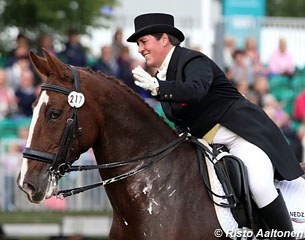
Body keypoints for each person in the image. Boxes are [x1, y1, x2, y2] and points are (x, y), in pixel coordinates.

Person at [128, 13, 303, 237]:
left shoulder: (193, 61)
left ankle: (284, 235)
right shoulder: (163, 75)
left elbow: (196, 90)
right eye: (138, 44)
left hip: (240, 136)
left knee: (259, 186)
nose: (140, 49)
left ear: (163, 39)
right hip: (208, 146)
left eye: (143, 42)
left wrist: (159, 88)